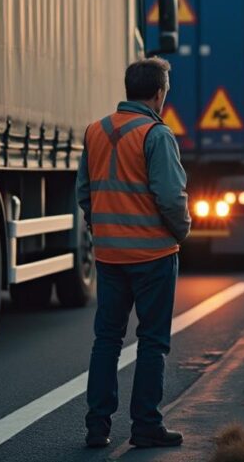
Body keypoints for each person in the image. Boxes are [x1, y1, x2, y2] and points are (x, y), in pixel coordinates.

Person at [76, 57, 191, 449]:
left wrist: (102, 229)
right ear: (159, 94)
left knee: (106, 340)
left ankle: (96, 427)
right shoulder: (156, 135)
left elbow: (84, 193)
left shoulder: (95, 131)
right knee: (152, 341)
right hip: (153, 256)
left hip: (109, 258)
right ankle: (146, 426)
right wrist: (183, 231)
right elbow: (171, 197)